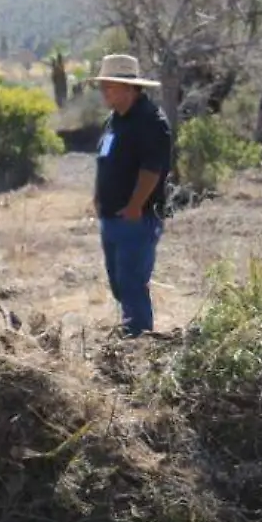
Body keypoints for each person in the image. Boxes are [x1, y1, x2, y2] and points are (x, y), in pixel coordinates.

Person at [90, 53, 174, 338]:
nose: (104, 92)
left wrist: (135, 205)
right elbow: (104, 162)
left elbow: (152, 169)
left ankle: (138, 343)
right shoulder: (113, 121)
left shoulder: (150, 121)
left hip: (136, 219)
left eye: (109, 86)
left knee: (132, 282)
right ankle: (131, 332)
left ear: (129, 88)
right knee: (118, 283)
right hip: (111, 218)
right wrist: (98, 196)